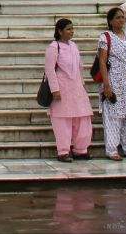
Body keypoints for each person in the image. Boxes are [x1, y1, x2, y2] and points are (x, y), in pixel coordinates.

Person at [97, 6, 126, 160]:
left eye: (123, 17)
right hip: (114, 79)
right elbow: (102, 62)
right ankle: (112, 150)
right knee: (113, 115)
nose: (121, 20)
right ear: (110, 21)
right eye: (117, 17)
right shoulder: (105, 37)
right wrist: (107, 84)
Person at [44, 17, 93, 161]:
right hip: (61, 88)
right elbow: (49, 70)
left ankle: (80, 149)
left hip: (76, 87)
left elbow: (79, 67)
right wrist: (55, 90)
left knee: (82, 119)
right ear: (60, 31)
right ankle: (63, 151)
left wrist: (82, 85)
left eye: (72, 29)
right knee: (62, 121)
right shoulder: (54, 47)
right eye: (68, 29)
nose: (72, 32)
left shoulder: (74, 46)